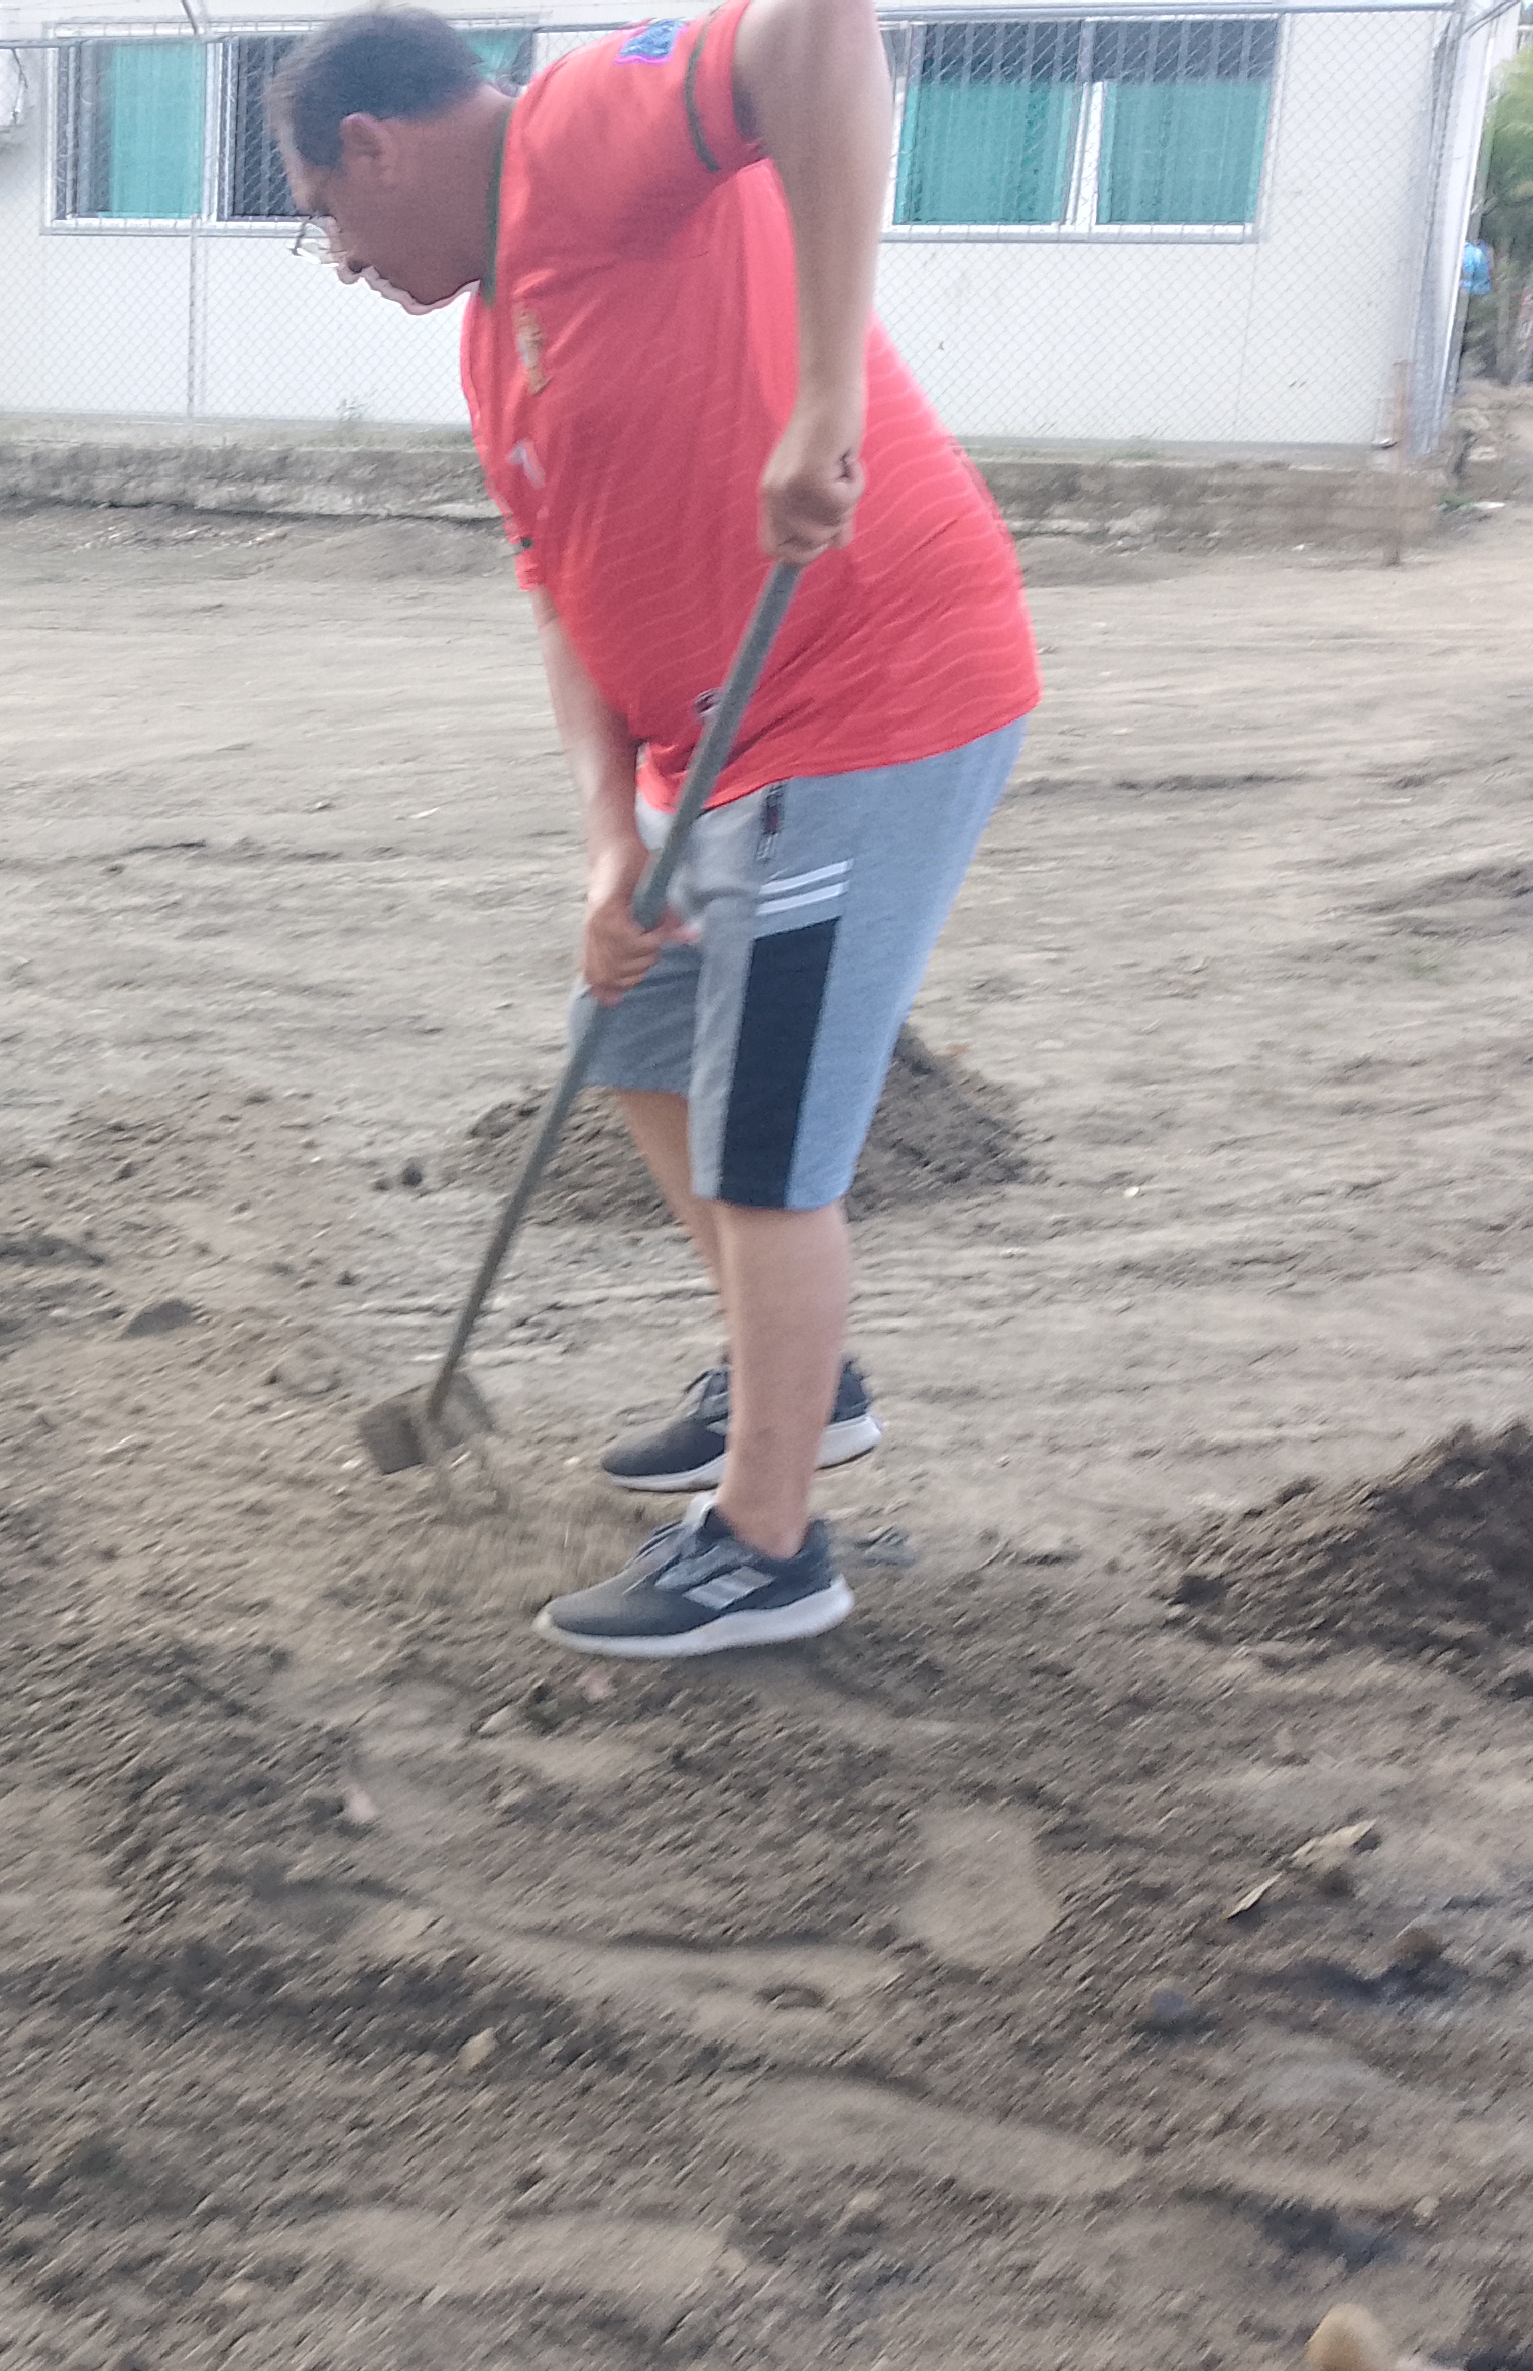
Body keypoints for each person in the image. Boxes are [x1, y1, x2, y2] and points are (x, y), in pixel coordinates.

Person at [273, 3, 1038, 1656]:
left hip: (867, 692)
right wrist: (608, 844)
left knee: (766, 1134)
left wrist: (824, 397)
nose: (342, 258)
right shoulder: (495, 341)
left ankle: (768, 1548)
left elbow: (821, 34)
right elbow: (562, 597)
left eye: (326, 214)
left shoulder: (576, 138)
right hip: (708, 754)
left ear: (371, 147)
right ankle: (796, 1377)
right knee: (627, 1034)